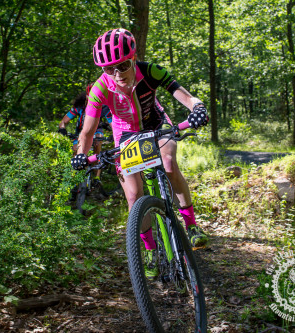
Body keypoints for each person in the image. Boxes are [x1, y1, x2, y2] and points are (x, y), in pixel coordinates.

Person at [70, 28, 209, 277]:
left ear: (133, 58)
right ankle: (148, 249)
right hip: (125, 135)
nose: (116, 73)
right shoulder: (100, 88)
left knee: (168, 163)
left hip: (156, 124)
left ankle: (191, 226)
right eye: (108, 68)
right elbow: (88, 131)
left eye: (122, 65)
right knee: (134, 196)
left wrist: (197, 106)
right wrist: (82, 154)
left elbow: (183, 94)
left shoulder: (150, 71)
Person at [58, 87, 112, 183]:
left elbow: (112, 123)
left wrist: (114, 133)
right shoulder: (79, 106)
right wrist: (62, 129)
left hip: (96, 130)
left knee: (97, 145)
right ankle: (75, 181)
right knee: (75, 149)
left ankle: (97, 177)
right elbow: (64, 121)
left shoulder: (104, 107)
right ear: (87, 97)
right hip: (80, 131)